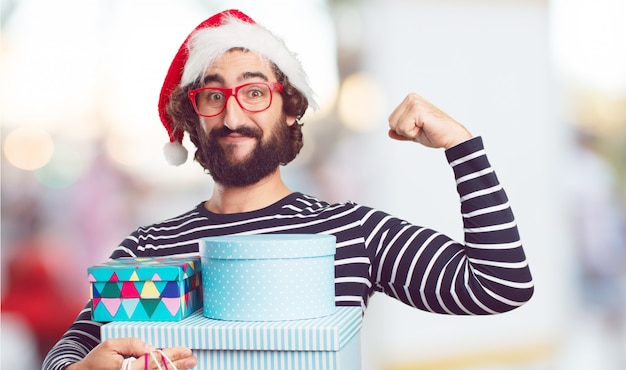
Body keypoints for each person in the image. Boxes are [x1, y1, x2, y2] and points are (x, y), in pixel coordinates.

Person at [42, 9, 534, 370]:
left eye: (254, 92)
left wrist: (461, 146)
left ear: (290, 107)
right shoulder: (147, 250)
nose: (233, 117)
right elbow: (66, 353)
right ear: (193, 118)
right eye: (213, 96)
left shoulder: (351, 231)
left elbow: (501, 284)